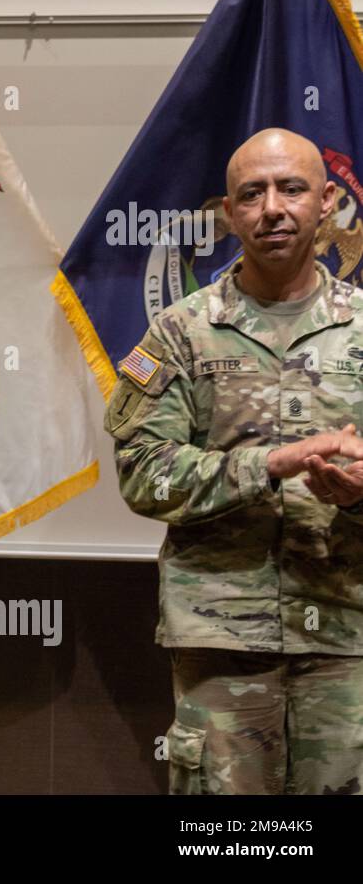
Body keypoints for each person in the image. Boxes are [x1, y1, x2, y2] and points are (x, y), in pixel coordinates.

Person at [107, 127, 363, 794]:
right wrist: (267, 466)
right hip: (224, 641)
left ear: (328, 200)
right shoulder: (180, 333)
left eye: (292, 188)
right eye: (252, 193)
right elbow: (142, 470)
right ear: (229, 212)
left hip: (347, 632)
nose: (272, 207)